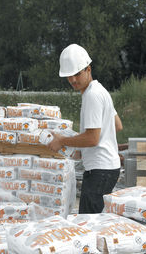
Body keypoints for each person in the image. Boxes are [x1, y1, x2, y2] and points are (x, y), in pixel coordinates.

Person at [48, 43, 123, 214]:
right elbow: (117, 125)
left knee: (88, 225)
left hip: (99, 171)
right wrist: (83, 150)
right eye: (69, 76)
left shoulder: (92, 95)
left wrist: (62, 140)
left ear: (88, 69)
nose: (73, 80)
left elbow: (92, 138)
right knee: (95, 220)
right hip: (107, 168)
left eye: (77, 74)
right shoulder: (100, 90)